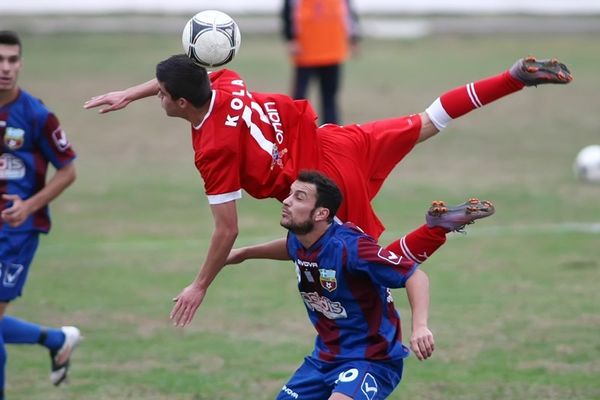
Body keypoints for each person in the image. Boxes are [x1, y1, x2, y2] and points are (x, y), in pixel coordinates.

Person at [83, 53, 572, 328]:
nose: (158, 98)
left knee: (370, 265)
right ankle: (510, 79)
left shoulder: (212, 149)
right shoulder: (227, 83)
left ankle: (431, 238)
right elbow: (187, 75)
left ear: (181, 101)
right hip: (334, 138)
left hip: (320, 188)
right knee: (428, 120)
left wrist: (200, 284)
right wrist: (131, 92)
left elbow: (225, 229)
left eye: (160, 95)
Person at [223, 170, 493, 399]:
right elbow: (290, 247)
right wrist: (244, 253)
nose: (286, 200)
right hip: (324, 359)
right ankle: (435, 229)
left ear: (321, 214)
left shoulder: (351, 248)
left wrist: (420, 326)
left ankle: (435, 230)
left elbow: (414, 276)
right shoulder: (301, 237)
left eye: (298, 197)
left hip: (372, 360)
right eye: (291, 194)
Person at [0, 30, 82, 395]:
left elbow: (68, 170)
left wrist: (28, 207)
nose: (6, 68)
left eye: (12, 60)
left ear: (21, 63)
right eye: (0, 60)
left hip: (16, 232)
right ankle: (55, 340)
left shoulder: (36, 115)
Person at [281, 0, 360, 124]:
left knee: (329, 98)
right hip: (306, 51)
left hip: (333, 49)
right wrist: (290, 38)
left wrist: (354, 38)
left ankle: (332, 135)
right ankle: (293, 131)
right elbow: (288, 11)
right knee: (299, 97)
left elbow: (349, 12)